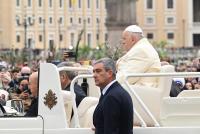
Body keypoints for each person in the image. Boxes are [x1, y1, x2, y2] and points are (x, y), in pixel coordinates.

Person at [93, 58, 133, 134]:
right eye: (94, 71)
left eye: (98, 71)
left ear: (110, 73)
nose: (94, 75)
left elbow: (111, 130)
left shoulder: (112, 97)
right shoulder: (113, 92)